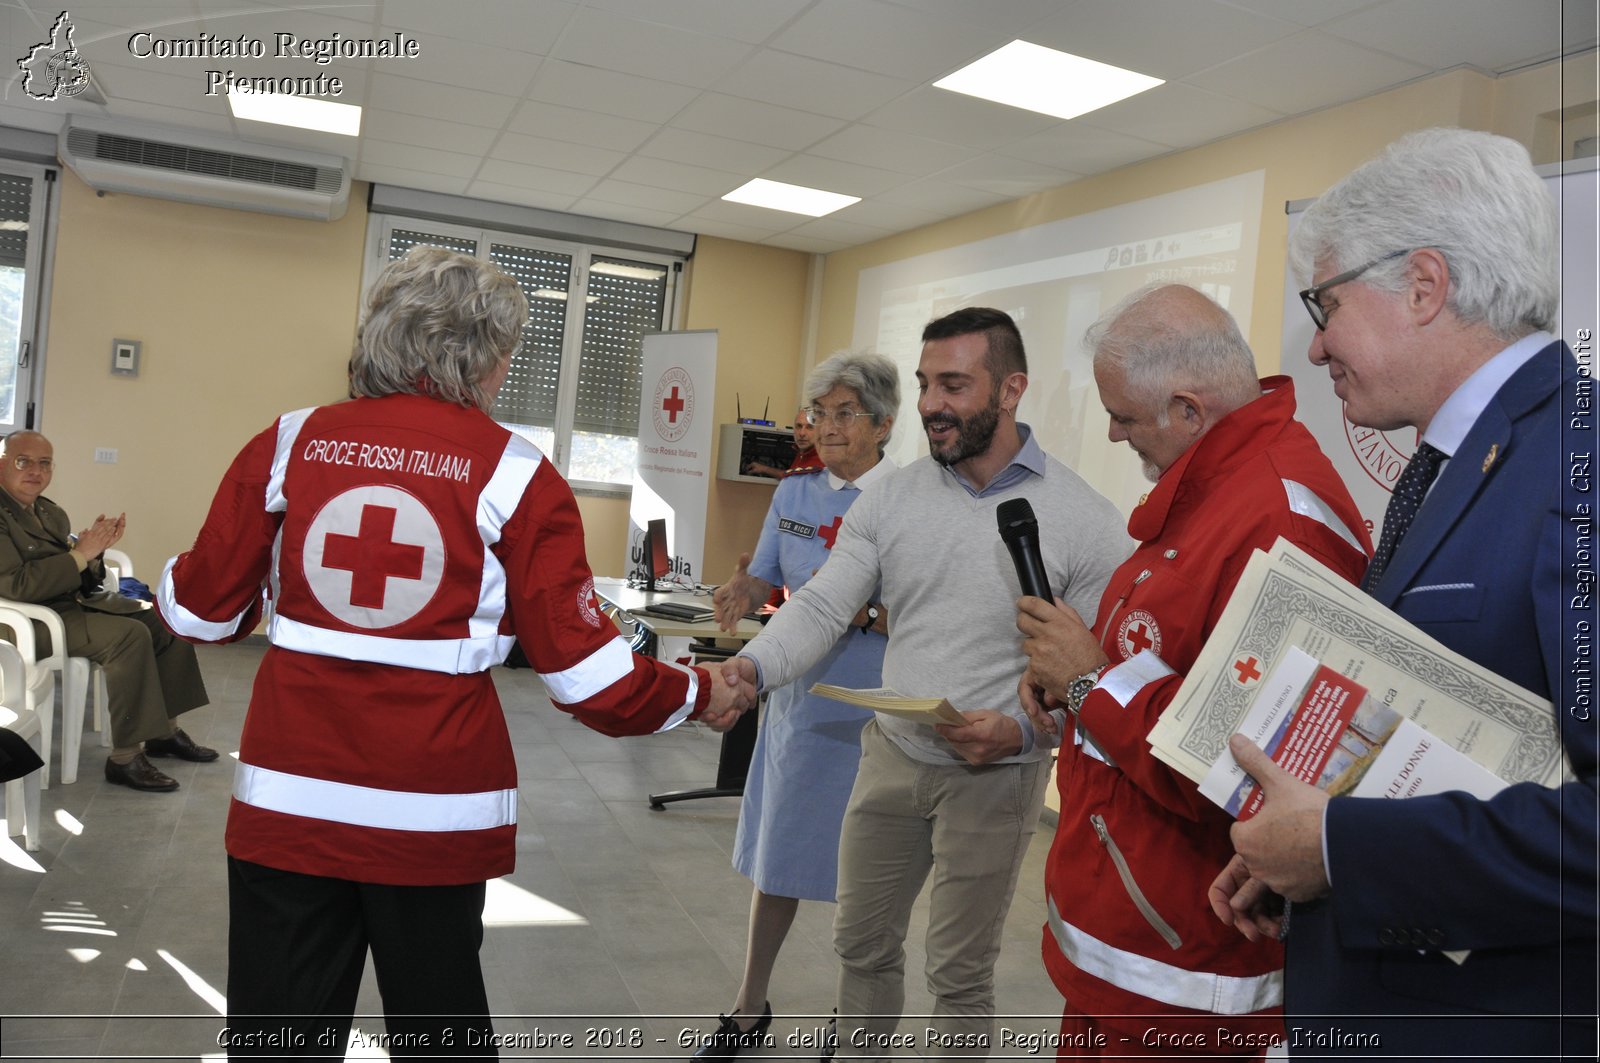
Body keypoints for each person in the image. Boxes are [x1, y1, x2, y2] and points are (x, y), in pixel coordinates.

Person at [156, 247, 750, 1058]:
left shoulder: (290, 442)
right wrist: (694, 690)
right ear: (487, 357)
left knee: (277, 1039)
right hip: (433, 814)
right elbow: (586, 677)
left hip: (288, 801)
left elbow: (197, 610)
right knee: (441, 1036)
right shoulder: (517, 474)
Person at [1209, 128, 1599, 1057]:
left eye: (1327, 304)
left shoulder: (1577, 467)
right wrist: (1312, 854)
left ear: (1425, 286)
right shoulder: (1462, 464)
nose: (1313, 346)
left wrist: (1344, 846)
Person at [723, 307, 1130, 1060]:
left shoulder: (1086, 520)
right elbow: (821, 602)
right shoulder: (894, 496)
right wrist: (750, 668)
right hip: (891, 758)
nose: (932, 404)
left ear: (1012, 389)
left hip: (997, 774)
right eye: (924, 385)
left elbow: (1107, 674)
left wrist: (1020, 729)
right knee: (861, 944)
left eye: (954, 384)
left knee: (958, 972)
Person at [1012, 285, 1371, 1056]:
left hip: (1191, 991)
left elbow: (1249, 769)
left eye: (1124, 416)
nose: (1111, 434)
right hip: (1127, 954)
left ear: (1187, 408)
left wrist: (1090, 681)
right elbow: (1170, 660)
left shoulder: (1282, 521)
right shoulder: (1213, 491)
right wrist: (1074, 677)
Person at [692, 352, 899, 1061]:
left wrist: (873, 612)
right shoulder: (796, 491)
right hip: (801, 707)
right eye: (821, 413)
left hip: (876, 710)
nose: (828, 427)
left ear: (885, 423)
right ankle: (749, 1005)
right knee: (778, 858)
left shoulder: (911, 498)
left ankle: (850, 1020)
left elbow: (926, 608)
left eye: (846, 413)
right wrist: (742, 592)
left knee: (868, 876)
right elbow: (768, 582)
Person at [0, 430, 214, 792]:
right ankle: (125, 758)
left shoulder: (49, 512)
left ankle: (164, 732)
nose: (35, 471)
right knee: (129, 638)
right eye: (24, 461)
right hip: (27, 621)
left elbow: (83, 577)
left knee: (165, 620)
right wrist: (78, 555)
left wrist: (94, 553)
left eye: (45, 463)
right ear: (2, 462)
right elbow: (16, 585)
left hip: (68, 607)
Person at [745, 408, 822, 480]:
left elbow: (794, 479)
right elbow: (792, 476)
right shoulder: (802, 452)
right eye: (799, 426)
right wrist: (764, 469)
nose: (802, 433)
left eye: (810, 427)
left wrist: (765, 469)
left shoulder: (824, 460)